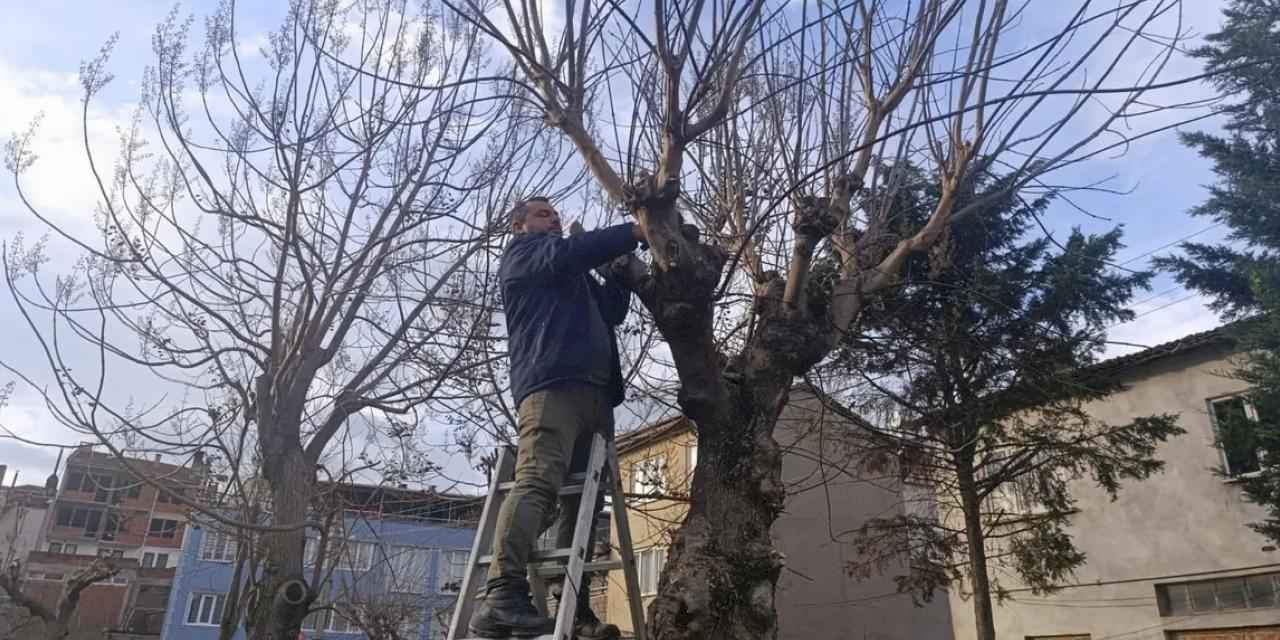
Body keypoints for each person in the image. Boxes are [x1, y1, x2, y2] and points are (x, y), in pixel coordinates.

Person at [469, 196, 644, 639]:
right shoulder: (524, 255)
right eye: (544, 214)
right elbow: (570, 253)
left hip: (596, 393)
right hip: (552, 386)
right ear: (518, 225)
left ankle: (576, 608)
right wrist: (632, 231)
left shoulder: (571, 273)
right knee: (538, 480)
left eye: (557, 216)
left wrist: (620, 275)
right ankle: (502, 595)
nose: (555, 220)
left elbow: (613, 311)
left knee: (581, 503)